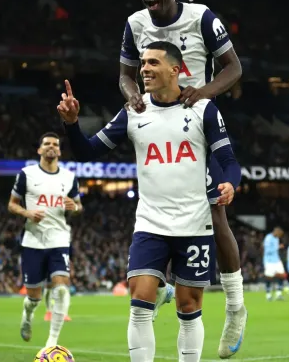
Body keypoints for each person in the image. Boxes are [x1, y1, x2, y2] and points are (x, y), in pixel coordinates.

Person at [59, 41, 241, 362]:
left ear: (176, 69)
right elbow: (88, 151)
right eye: (142, 63)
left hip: (195, 224)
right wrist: (72, 124)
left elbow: (227, 158)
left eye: (153, 63)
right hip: (151, 223)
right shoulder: (134, 110)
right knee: (140, 300)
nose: (143, 69)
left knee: (189, 307)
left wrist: (230, 182)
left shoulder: (202, 109)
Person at [117, 0, 246, 358]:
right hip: (157, 121)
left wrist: (203, 92)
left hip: (196, 124)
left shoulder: (202, 18)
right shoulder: (135, 24)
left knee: (215, 212)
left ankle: (235, 306)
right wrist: (130, 95)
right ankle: (156, 281)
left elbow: (234, 68)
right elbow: (123, 74)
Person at [8, 132, 83, 347]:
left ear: (59, 151)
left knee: (61, 288)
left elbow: (78, 206)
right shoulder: (26, 174)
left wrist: (75, 207)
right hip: (33, 240)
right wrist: (27, 213)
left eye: (55, 144)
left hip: (59, 239)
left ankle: (51, 343)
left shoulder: (69, 177)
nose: (51, 147)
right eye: (47, 144)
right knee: (34, 298)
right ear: (39, 150)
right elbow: (12, 204)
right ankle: (28, 316)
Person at [262, 227, 287, 301]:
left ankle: (279, 294)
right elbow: (267, 250)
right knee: (269, 277)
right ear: (276, 232)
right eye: (279, 234)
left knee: (282, 275)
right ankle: (268, 295)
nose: (280, 236)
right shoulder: (268, 238)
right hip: (269, 261)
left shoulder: (276, 238)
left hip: (277, 260)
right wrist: (278, 247)